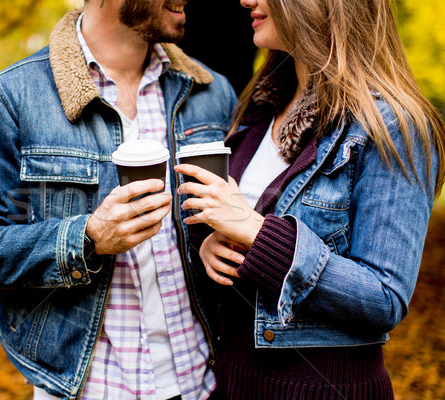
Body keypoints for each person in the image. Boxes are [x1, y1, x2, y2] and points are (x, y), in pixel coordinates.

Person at [0, 0, 237, 399]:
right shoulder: (10, 98)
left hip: (205, 380)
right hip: (88, 387)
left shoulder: (213, 92)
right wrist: (88, 238)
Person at [174, 0, 445, 398]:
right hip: (231, 382)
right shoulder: (260, 109)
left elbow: (385, 298)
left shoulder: (392, 126)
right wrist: (214, 245)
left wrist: (256, 233)